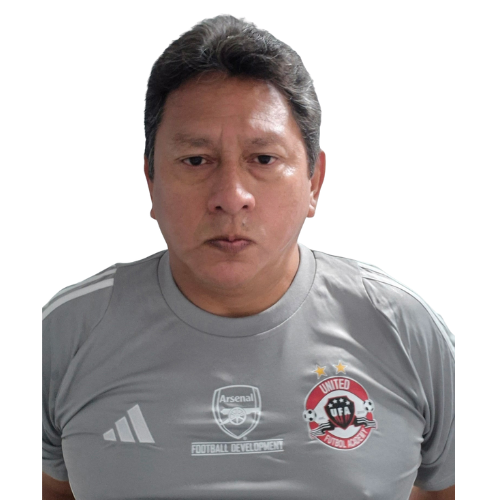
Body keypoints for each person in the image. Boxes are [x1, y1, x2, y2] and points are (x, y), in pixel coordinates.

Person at [42, 13, 455, 500]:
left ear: (315, 181)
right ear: (150, 179)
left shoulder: (404, 327)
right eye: (196, 160)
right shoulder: (65, 334)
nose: (231, 196)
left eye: (263, 159)